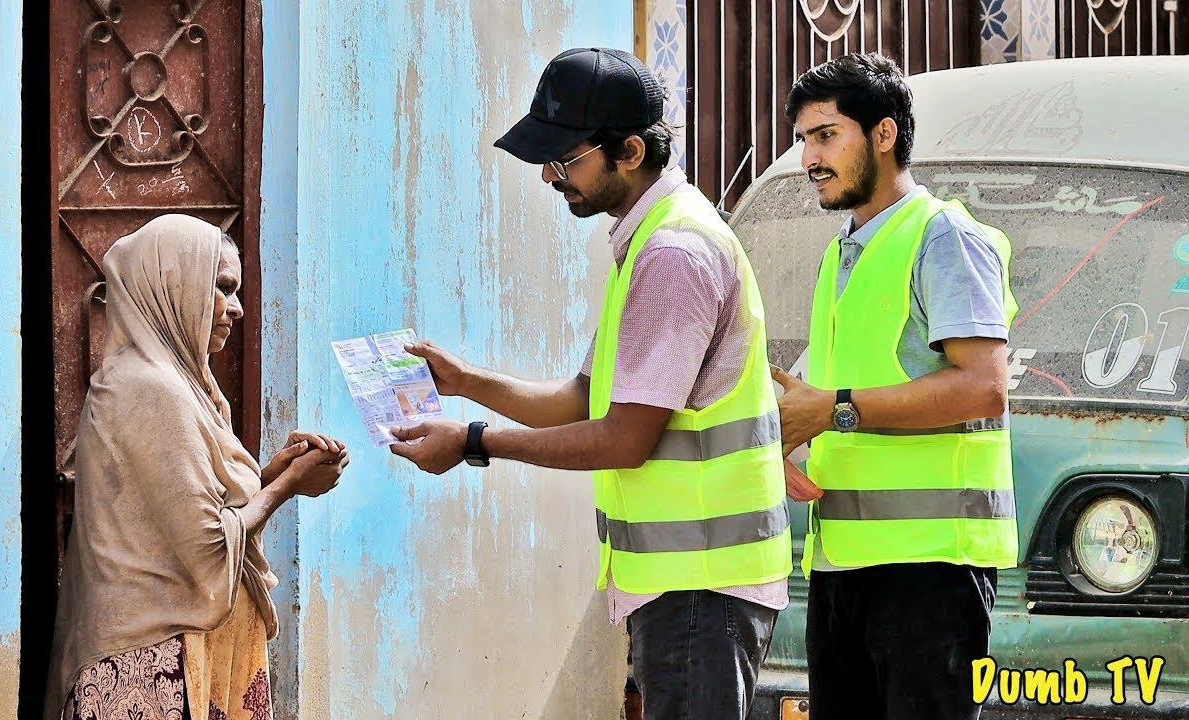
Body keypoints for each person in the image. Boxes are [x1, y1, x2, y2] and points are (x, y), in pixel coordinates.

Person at [388, 47, 793, 718]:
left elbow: (624, 437)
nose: (550, 177)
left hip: (702, 587)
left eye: (566, 159)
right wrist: (464, 382)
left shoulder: (672, 253)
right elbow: (584, 399)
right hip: (685, 586)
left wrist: (473, 442)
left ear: (630, 151)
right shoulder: (648, 239)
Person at [771, 53, 1018, 720]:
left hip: (931, 574)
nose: (808, 158)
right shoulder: (840, 254)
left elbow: (983, 388)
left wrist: (833, 410)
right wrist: (792, 427)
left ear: (884, 134)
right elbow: (843, 392)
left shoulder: (944, 236)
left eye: (826, 135)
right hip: (840, 568)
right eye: (802, 140)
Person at [44, 214, 350, 720]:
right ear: (173, 283)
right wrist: (287, 487)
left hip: (188, 657)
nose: (238, 308)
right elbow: (208, 546)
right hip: (149, 668)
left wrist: (272, 473)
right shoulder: (147, 388)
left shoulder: (188, 388)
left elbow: (188, 511)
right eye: (224, 288)